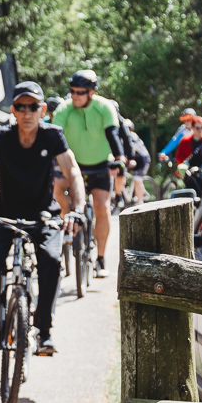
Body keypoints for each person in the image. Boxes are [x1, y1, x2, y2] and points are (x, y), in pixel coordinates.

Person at [0, 80, 86, 356]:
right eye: (21, 107)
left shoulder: (53, 135)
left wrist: (78, 208)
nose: (27, 113)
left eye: (33, 107)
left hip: (43, 215)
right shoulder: (0, 136)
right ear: (13, 110)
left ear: (43, 110)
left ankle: (44, 331)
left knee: (51, 261)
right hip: (5, 215)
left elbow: (72, 172)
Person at [49, 69, 123, 275]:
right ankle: (68, 219)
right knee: (57, 188)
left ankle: (100, 258)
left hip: (100, 165)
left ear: (91, 92)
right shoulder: (64, 109)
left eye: (80, 92)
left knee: (101, 207)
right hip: (73, 168)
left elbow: (112, 134)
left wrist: (119, 159)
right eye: (72, 91)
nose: (74, 96)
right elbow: (55, 135)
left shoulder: (104, 107)